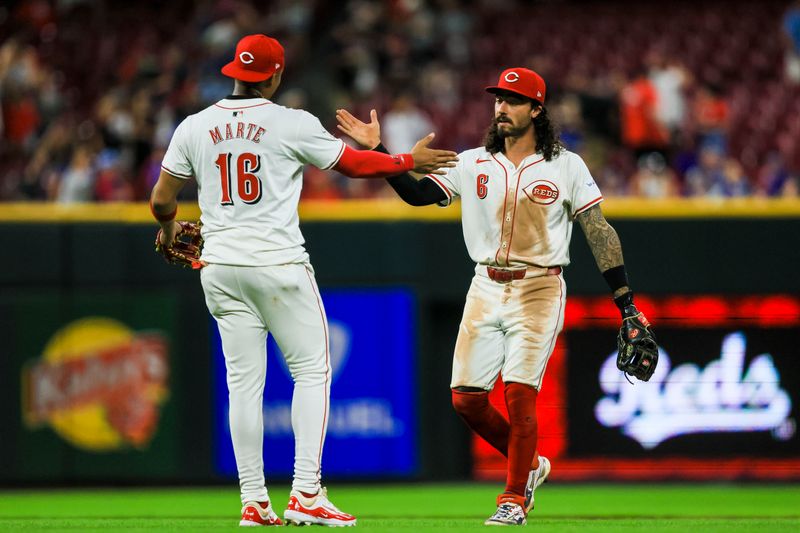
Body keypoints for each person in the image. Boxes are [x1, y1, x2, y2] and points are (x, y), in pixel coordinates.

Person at [150, 34, 457, 527]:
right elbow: (353, 165)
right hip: (276, 264)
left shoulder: (195, 125)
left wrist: (168, 229)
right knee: (312, 373)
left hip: (220, 267)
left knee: (243, 387)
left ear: (234, 72)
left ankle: (254, 501)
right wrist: (405, 161)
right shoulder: (290, 122)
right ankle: (306, 492)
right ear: (273, 76)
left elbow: (162, 198)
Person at [336, 67, 653, 526]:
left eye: (513, 100)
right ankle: (531, 465)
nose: (501, 107)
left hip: (539, 285)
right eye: (498, 99)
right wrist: (380, 152)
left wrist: (625, 302)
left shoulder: (566, 165)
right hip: (484, 284)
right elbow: (419, 196)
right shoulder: (472, 161)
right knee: (465, 399)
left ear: (537, 110)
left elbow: (598, 230)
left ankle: (513, 498)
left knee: (520, 394)